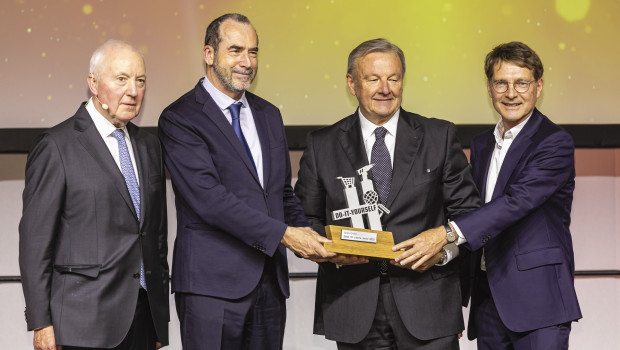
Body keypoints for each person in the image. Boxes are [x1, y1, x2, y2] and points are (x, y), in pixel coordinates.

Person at [158, 13, 334, 350]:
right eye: (236, 50)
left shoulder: (268, 114)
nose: (247, 62)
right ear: (209, 54)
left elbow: (281, 193)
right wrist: (285, 235)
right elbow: (210, 200)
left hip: (269, 284)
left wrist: (319, 243)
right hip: (211, 289)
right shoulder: (179, 118)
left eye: (253, 52)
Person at [394, 41, 582, 349]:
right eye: (501, 83)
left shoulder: (555, 142)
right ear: (489, 87)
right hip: (487, 299)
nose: (511, 93)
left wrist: (445, 233)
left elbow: (516, 202)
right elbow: (473, 211)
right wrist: (447, 257)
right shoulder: (482, 144)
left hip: (538, 301)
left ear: (538, 86)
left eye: (521, 83)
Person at [295, 38, 480, 349]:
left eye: (393, 78)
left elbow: (469, 213)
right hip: (353, 304)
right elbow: (304, 218)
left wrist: (444, 249)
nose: (385, 88)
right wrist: (329, 251)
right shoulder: (321, 144)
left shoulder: (439, 136)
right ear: (351, 84)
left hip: (429, 305)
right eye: (373, 79)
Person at [19, 40, 169, 350]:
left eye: (140, 81)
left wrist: (158, 321)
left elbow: (155, 237)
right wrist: (41, 321)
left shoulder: (149, 146)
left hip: (142, 321)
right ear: (93, 83)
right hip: (81, 325)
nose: (133, 90)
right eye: (121, 79)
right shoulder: (57, 146)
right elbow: (35, 243)